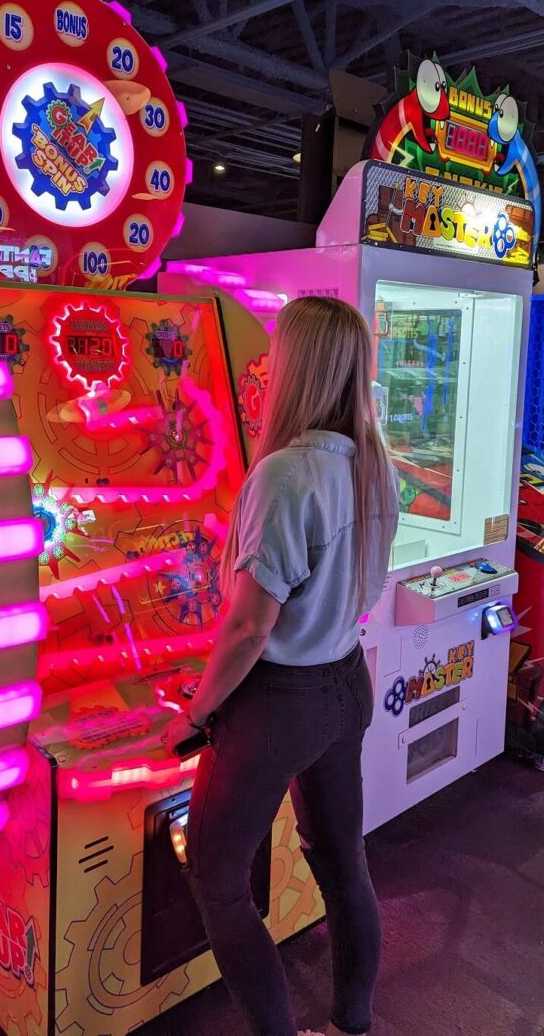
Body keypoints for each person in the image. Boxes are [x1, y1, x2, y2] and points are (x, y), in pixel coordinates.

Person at [164, 295, 399, 1036]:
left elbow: (247, 626)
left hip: (279, 701)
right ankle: (352, 1024)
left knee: (217, 879)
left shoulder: (286, 474)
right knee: (342, 862)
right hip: (344, 682)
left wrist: (199, 711)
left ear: (297, 367)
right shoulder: (375, 462)